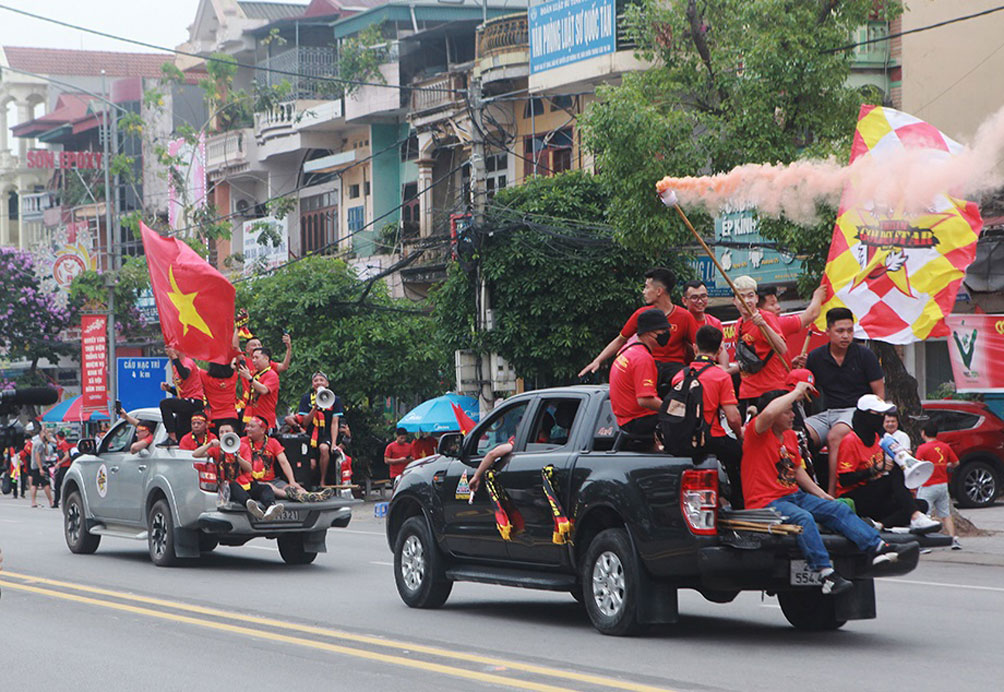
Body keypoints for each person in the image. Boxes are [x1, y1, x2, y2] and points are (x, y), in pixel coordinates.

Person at [742, 383, 905, 595]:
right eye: (788, 411)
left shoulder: (790, 436)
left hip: (794, 495)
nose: (793, 415)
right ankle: (826, 573)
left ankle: (877, 548)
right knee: (804, 519)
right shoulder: (757, 433)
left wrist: (822, 495)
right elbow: (770, 412)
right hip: (767, 502)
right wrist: (796, 392)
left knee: (837, 508)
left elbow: (797, 470)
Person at [799, 308, 885, 495]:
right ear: (828, 332)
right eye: (840, 331)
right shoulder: (815, 357)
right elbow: (806, 390)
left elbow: (880, 394)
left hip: (856, 411)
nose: (846, 336)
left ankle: (832, 493)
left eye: (850, 331)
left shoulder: (865, 355)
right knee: (798, 434)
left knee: (834, 436)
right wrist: (797, 370)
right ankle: (802, 489)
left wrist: (874, 420)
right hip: (827, 413)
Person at [579, 267, 697, 395]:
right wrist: (597, 361)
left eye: (646, 287)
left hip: (674, 369)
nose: (643, 291)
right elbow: (620, 339)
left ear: (659, 291)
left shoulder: (685, 316)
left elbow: (699, 346)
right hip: (648, 365)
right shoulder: (641, 315)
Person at [835, 395, 941, 533]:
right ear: (865, 415)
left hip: (874, 494)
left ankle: (879, 525)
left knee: (921, 504)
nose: (881, 418)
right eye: (877, 414)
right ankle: (915, 517)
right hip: (854, 497)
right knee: (896, 478)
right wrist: (874, 470)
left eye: (882, 414)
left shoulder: (879, 438)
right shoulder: (850, 440)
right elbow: (844, 480)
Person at [672, 325, 743, 506]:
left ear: (695, 347)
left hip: (683, 438)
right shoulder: (720, 376)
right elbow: (733, 417)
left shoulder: (680, 375)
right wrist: (740, 434)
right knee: (740, 454)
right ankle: (738, 501)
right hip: (711, 438)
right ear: (720, 349)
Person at [608, 307, 671, 450]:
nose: (667, 334)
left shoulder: (628, 350)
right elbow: (645, 399)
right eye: (663, 331)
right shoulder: (642, 358)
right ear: (650, 332)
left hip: (624, 420)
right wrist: (671, 409)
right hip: (637, 421)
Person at [193, 421, 284, 519]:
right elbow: (195, 454)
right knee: (233, 485)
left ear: (234, 434)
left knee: (265, 488)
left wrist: (237, 456)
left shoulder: (243, 447)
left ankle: (271, 506)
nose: (224, 434)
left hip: (246, 484)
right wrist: (210, 444)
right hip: (229, 487)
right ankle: (250, 504)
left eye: (227, 431)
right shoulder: (217, 449)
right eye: (221, 432)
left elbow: (249, 468)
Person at [240, 415, 331, 504]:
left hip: (273, 479)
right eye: (248, 426)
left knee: (291, 487)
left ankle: (311, 495)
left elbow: (284, 462)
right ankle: (291, 496)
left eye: (252, 426)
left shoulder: (273, 442)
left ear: (263, 430)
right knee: (269, 486)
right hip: (254, 481)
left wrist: (292, 481)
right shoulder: (242, 442)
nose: (248, 429)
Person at [733, 275, 789, 411]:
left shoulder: (766, 317)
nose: (746, 300)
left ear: (757, 299)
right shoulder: (738, 325)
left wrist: (764, 325)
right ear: (734, 301)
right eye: (741, 296)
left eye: (750, 296)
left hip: (771, 389)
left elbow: (782, 348)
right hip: (748, 391)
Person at [915, 421, 961, 549]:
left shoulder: (922, 448)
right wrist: (947, 465)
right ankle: (953, 540)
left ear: (923, 433)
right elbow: (956, 462)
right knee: (945, 514)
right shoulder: (945, 447)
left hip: (927, 485)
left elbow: (917, 465)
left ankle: (926, 544)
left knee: (925, 515)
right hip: (942, 484)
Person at [292, 371, 342, 488]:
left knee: (324, 448)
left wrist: (334, 443)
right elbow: (305, 422)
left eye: (321, 380)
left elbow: (335, 423)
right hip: (310, 435)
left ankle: (323, 481)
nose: (318, 383)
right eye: (316, 380)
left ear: (327, 383)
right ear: (312, 384)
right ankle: (308, 485)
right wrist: (314, 408)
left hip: (325, 434)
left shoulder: (335, 399)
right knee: (311, 464)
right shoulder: (306, 399)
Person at [234, 332, 291, 421]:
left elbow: (284, 366)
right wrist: (238, 330)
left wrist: (288, 348)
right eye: (254, 345)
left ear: (266, 359)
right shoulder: (245, 362)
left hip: (263, 412)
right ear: (247, 349)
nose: (257, 346)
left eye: (259, 344)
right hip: (248, 407)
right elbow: (235, 347)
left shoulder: (269, 369)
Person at [157, 345, 205, 448]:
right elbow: (182, 392)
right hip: (185, 401)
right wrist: (169, 389)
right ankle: (177, 440)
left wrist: (174, 358)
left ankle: (171, 436)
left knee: (165, 404)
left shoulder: (187, 362)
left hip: (194, 401)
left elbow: (185, 374)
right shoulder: (175, 367)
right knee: (182, 431)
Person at [681, 280, 729, 367]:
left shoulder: (714, 322)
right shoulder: (680, 321)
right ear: (684, 301)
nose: (700, 301)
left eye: (703, 296)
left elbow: (722, 350)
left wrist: (725, 370)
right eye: (694, 297)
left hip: (710, 368)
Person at [238, 347, 280, 431]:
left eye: (256, 358)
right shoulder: (257, 374)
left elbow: (264, 390)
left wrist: (249, 378)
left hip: (265, 421)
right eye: (252, 358)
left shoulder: (271, 374)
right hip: (252, 419)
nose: (253, 360)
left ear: (266, 358)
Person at [760, 285, 826, 337]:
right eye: (772, 304)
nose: (778, 307)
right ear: (759, 308)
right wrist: (818, 297)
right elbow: (812, 314)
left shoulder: (751, 326)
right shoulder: (776, 324)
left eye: (777, 303)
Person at [200, 360, 240, 435]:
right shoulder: (234, 376)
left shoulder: (204, 377)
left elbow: (195, 368)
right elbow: (235, 365)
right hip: (231, 416)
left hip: (214, 418)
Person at [29, 426, 54, 508]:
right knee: (45, 483)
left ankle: (33, 501)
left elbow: (46, 453)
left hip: (35, 466)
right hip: (40, 466)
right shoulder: (39, 443)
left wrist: (46, 443)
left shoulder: (41, 443)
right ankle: (51, 501)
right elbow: (37, 456)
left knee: (35, 484)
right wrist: (40, 468)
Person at [51, 430, 74, 509]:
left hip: (65, 466)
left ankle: (64, 500)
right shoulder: (59, 443)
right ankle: (56, 501)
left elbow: (67, 456)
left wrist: (59, 463)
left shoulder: (64, 444)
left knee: (62, 484)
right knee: (57, 484)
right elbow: (50, 440)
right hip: (61, 467)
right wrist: (45, 431)